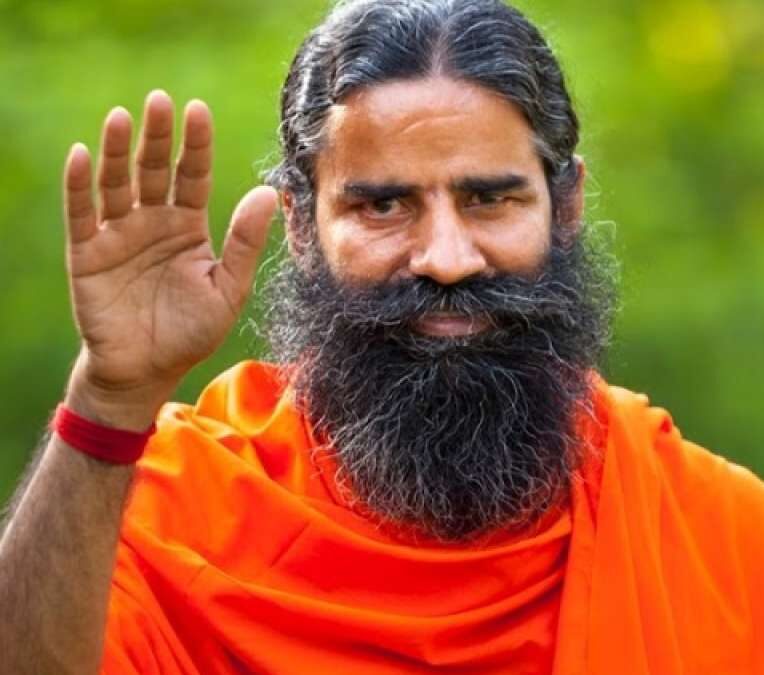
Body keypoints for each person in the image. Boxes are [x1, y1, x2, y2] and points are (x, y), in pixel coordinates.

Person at [1, 0, 762, 673]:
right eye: (383, 207)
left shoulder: (717, 537)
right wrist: (110, 399)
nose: (447, 259)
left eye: (489, 199)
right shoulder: (178, 516)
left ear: (565, 210)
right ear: (301, 227)